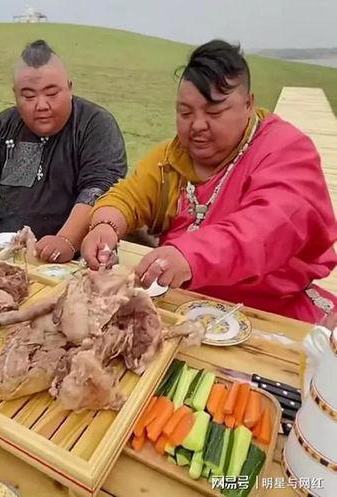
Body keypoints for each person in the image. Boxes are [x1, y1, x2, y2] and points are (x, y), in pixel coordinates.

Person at [81, 40, 337, 323]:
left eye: (214, 112)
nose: (198, 125)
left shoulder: (286, 150)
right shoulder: (172, 157)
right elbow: (129, 195)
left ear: (249, 103)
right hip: (183, 307)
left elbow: (267, 227)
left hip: (273, 312)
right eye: (185, 113)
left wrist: (189, 256)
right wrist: (105, 224)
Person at [0, 40, 127, 263]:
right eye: (29, 96)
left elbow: (100, 188)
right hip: (6, 248)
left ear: (69, 88)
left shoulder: (95, 124)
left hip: (75, 257)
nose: (41, 105)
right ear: (15, 94)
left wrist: (66, 240)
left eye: (52, 93)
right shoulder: (5, 125)